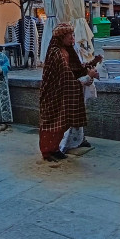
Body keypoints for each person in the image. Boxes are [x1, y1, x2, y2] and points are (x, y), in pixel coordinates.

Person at [38, 23, 100, 162]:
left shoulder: (66, 51)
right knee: (53, 122)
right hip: (53, 93)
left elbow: (74, 69)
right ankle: (48, 151)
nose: (73, 37)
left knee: (62, 122)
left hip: (62, 93)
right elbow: (65, 77)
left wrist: (89, 68)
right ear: (62, 37)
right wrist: (87, 77)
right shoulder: (56, 53)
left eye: (73, 34)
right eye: (70, 35)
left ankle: (55, 149)